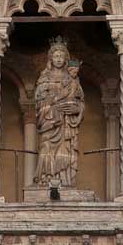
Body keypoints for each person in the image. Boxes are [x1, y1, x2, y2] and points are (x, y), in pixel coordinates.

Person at [34, 37, 84, 187]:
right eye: (56, 56)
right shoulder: (44, 77)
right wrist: (51, 104)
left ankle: (65, 180)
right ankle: (46, 179)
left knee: (65, 150)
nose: (58, 59)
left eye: (61, 56)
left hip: (66, 123)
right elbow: (39, 101)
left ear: (66, 58)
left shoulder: (72, 79)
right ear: (51, 58)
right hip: (49, 121)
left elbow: (80, 100)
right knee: (46, 147)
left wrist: (78, 109)